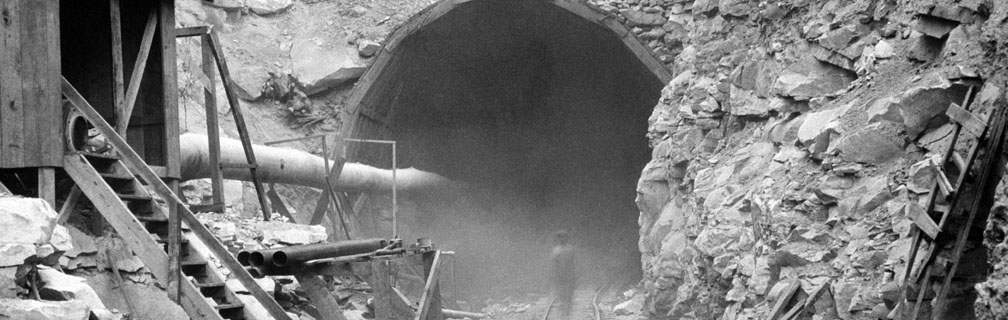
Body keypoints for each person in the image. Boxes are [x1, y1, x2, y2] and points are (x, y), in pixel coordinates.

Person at [550, 230, 576, 319]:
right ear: (558, 239)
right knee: (561, 295)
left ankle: (567, 314)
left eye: (564, 237)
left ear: (566, 238)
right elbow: (554, 265)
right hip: (560, 277)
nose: (562, 239)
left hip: (569, 276)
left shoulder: (570, 249)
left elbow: (573, 263)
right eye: (560, 237)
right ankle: (563, 314)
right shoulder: (556, 251)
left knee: (568, 295)